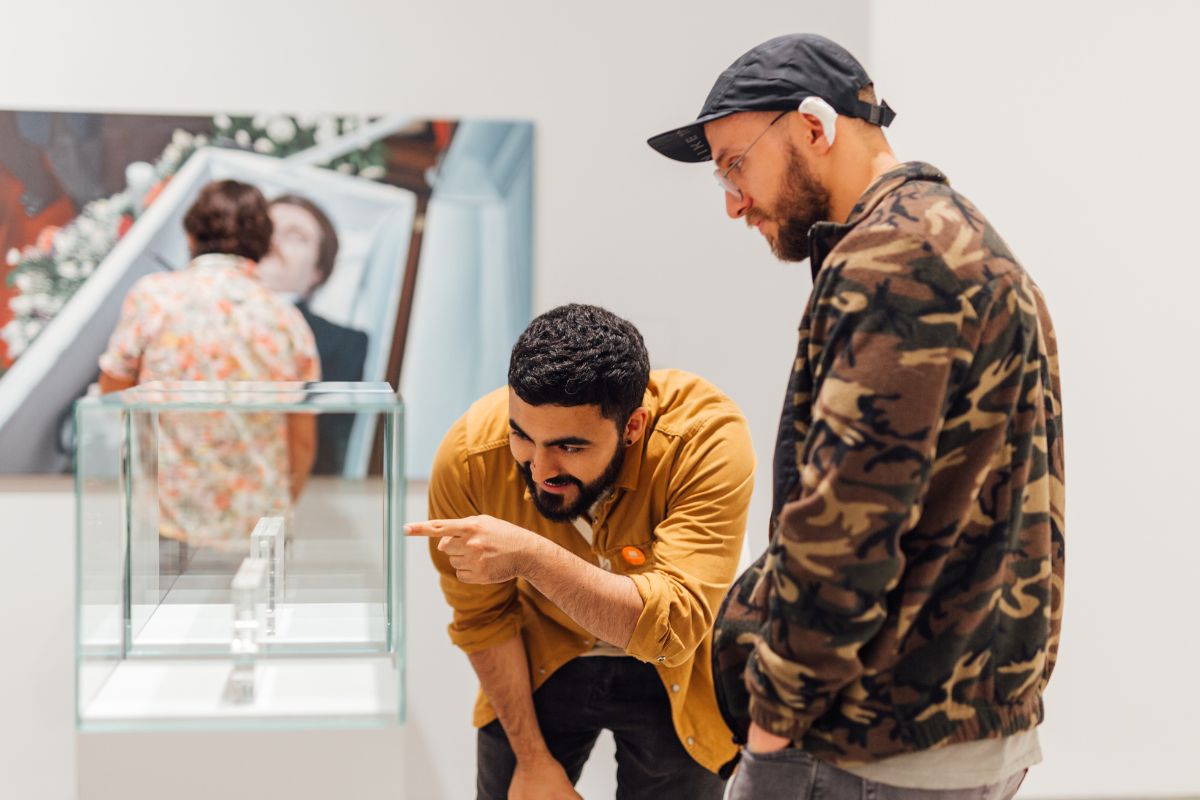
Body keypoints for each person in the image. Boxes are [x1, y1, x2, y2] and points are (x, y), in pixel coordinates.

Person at [648, 33, 1065, 799]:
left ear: (813, 127)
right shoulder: (961, 237)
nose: (734, 201)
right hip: (955, 722)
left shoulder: (891, 262)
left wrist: (773, 730)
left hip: (866, 741)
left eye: (736, 163)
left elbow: (845, 526)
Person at [407, 303, 755, 799]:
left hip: (678, 671)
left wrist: (530, 555)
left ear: (632, 427)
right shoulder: (469, 457)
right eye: (522, 436)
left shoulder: (705, 439)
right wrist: (530, 759)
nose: (539, 469)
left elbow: (673, 630)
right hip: (540, 651)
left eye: (569, 448)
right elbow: (484, 620)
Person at [98, 179, 319, 547]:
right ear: (265, 245)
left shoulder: (154, 298)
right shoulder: (286, 320)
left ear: (191, 234)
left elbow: (112, 393)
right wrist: (281, 509)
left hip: (165, 520)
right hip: (257, 529)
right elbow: (302, 440)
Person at [258, 193, 368, 474]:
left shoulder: (347, 345)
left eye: (295, 236)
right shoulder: (189, 311)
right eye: (263, 227)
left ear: (318, 270)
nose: (273, 240)